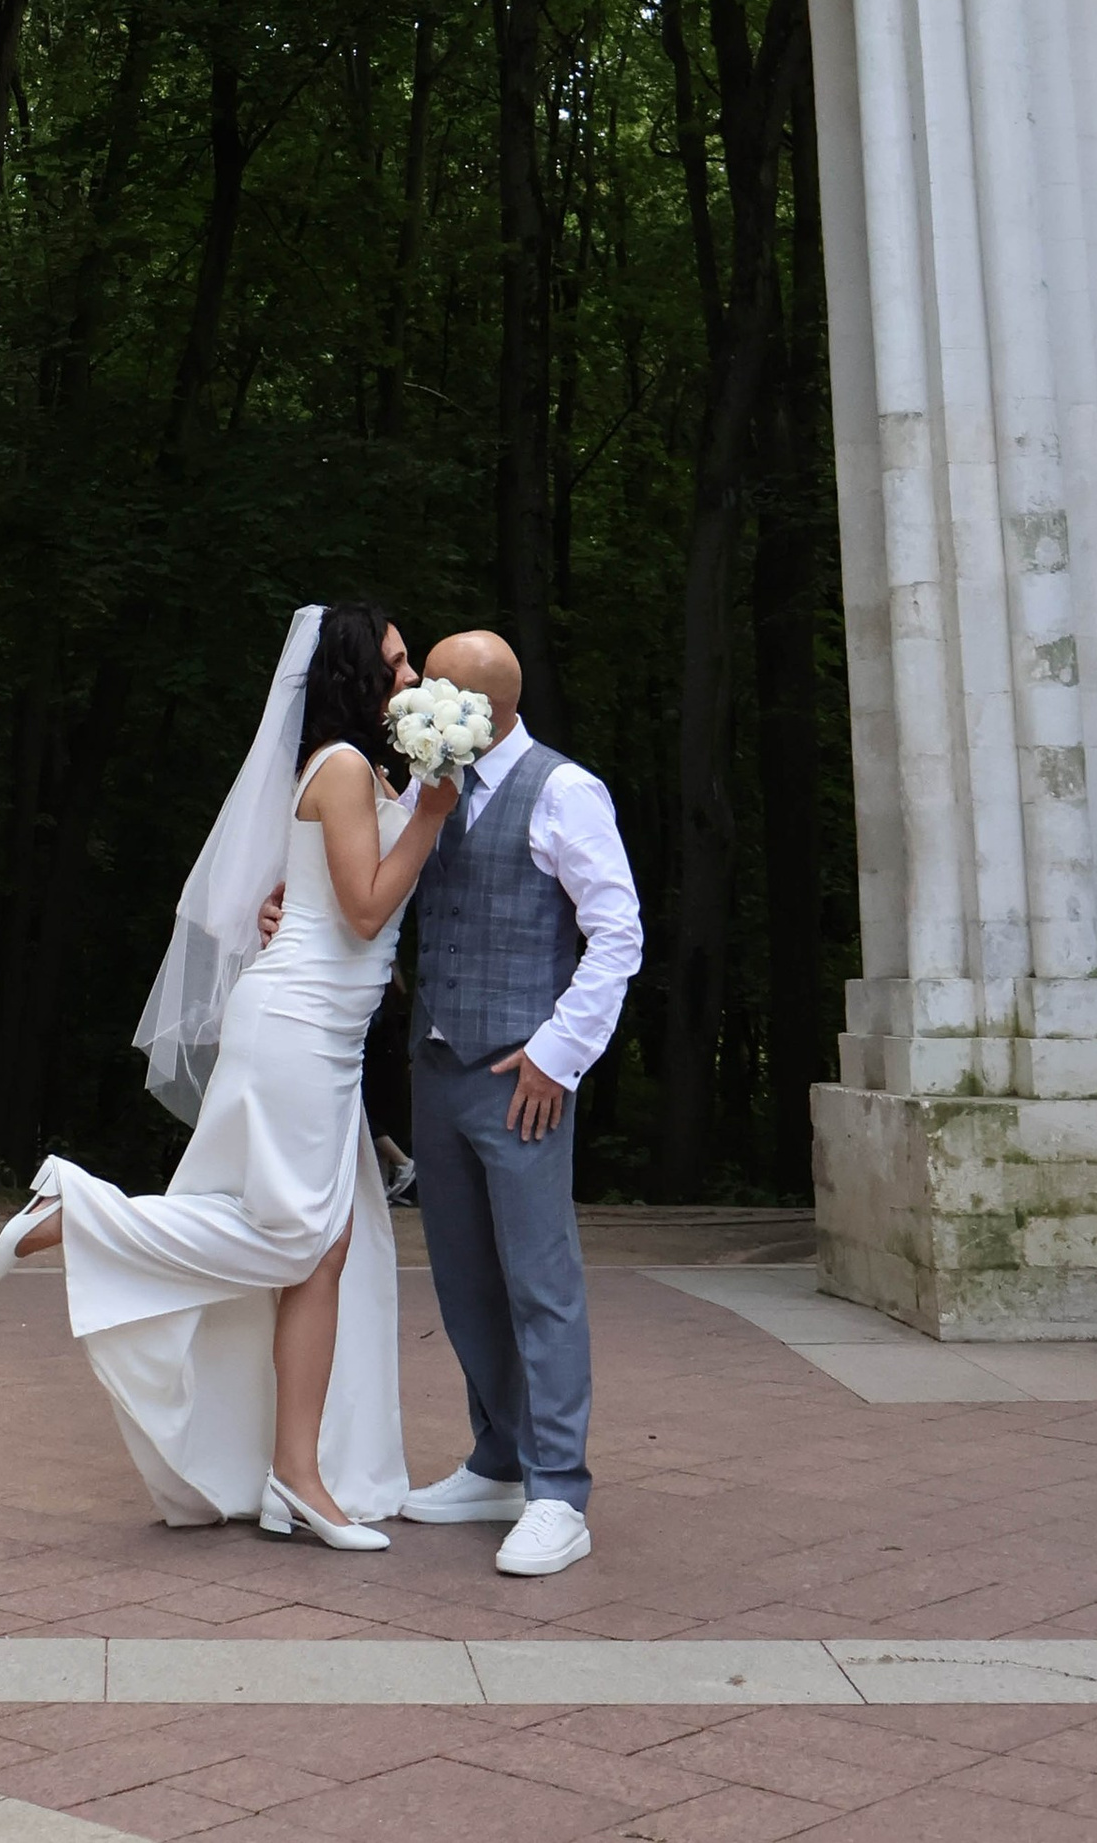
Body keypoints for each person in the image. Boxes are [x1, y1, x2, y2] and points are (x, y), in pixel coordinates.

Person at [0, 605, 454, 1548]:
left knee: (323, 1249)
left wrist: (416, 809)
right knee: (296, 1241)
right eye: (397, 666)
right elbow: (367, 908)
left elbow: (331, 908)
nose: (410, 681)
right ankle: (79, 1213)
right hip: (297, 1028)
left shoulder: (358, 773)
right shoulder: (346, 767)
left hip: (321, 1031)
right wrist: (434, 815)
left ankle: (299, 1478)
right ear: (357, 680)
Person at [398, 628, 643, 1579]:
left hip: (523, 1076)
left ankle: (557, 1491)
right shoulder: (435, 784)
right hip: (438, 1065)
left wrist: (557, 1055)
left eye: (433, 688)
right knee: (463, 1277)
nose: (414, 696)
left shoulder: (563, 790)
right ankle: (497, 1459)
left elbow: (616, 933)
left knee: (540, 1282)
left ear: (484, 706)